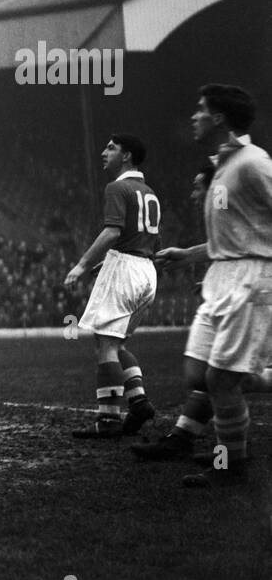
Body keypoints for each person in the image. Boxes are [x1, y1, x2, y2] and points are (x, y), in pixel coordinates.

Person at [131, 84, 272, 487]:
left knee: (222, 381)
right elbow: (234, 238)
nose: (193, 116)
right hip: (222, 277)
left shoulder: (253, 163)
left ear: (220, 118)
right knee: (200, 375)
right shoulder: (222, 169)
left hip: (251, 280)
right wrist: (188, 256)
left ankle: (231, 464)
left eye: (200, 110)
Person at [62, 135, 160, 439]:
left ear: (127, 156)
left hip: (127, 269)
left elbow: (111, 232)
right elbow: (141, 239)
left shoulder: (117, 187)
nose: (104, 153)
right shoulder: (149, 192)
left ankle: (108, 421)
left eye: (111, 148)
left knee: (105, 344)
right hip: (146, 270)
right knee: (117, 345)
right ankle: (139, 401)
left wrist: (80, 265)